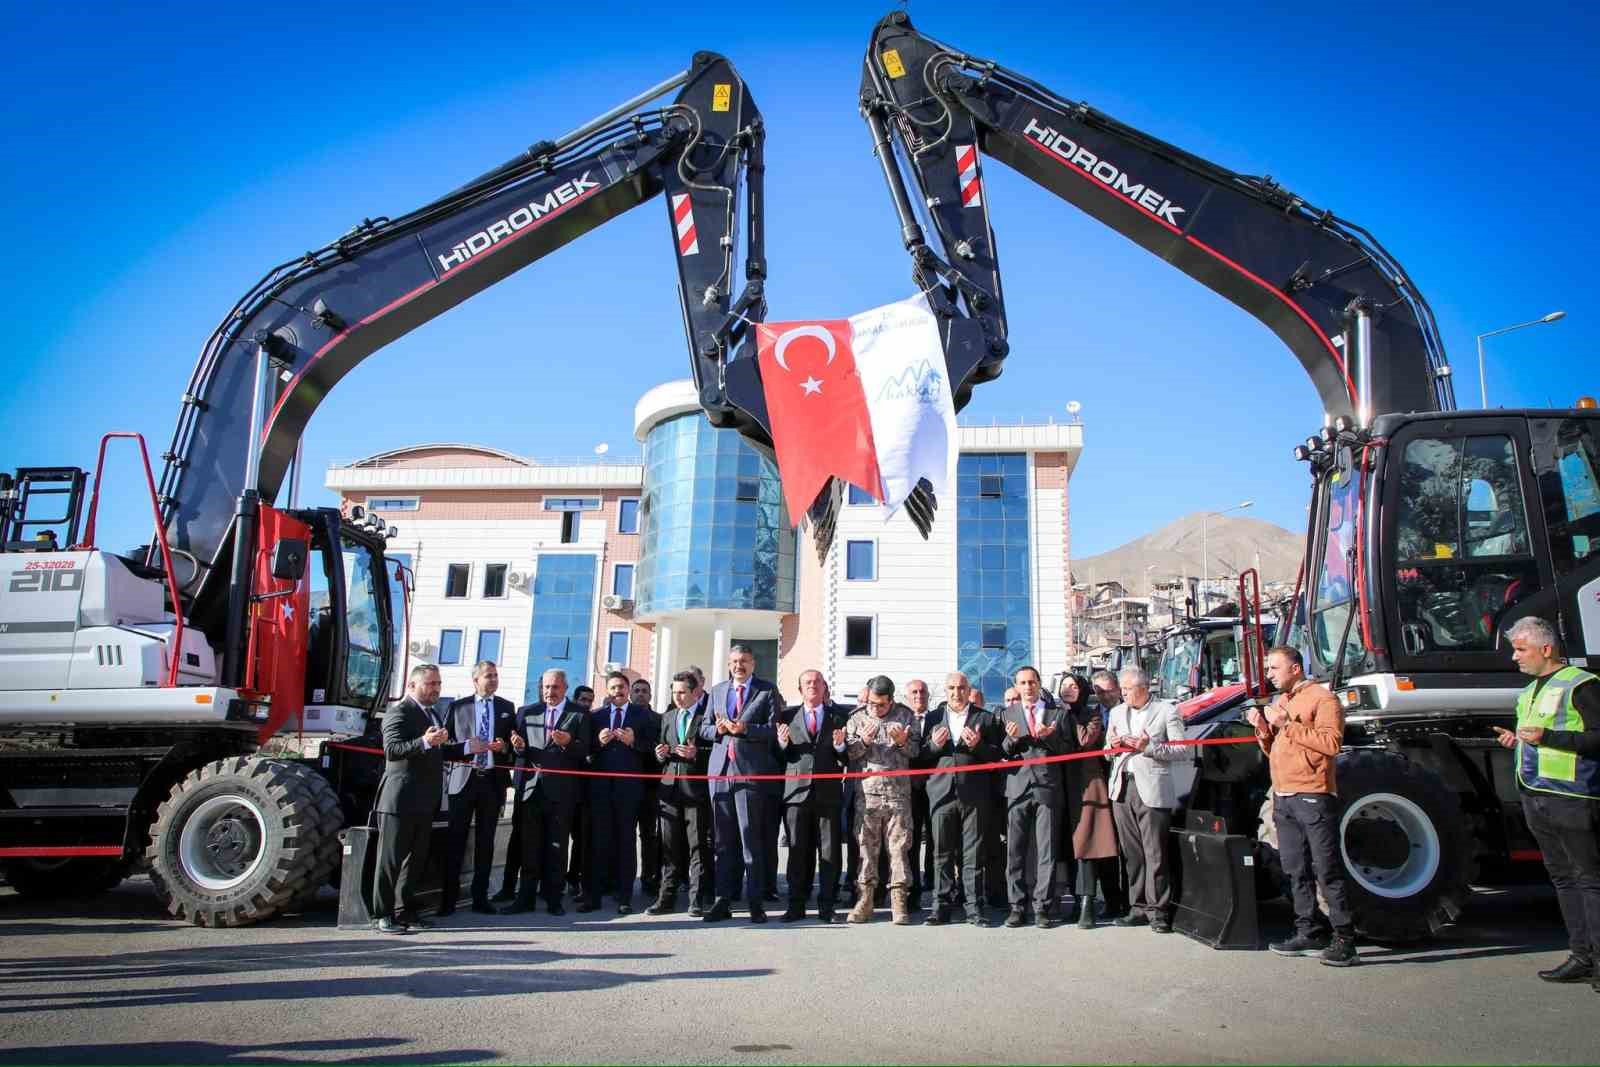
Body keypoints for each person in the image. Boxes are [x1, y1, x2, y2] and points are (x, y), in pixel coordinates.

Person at [1493, 617, 1600, 989]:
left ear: (1546, 649)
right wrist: (1516, 740)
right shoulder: (1528, 691)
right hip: (1536, 793)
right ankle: (1582, 955)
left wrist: (1548, 737)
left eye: (1521, 649)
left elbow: (1595, 737)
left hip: (1572, 796)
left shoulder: (1581, 685)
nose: (1515, 657)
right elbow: (1535, 737)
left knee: (1590, 879)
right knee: (1563, 878)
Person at [1245, 646, 1358, 965]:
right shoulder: (1283, 701)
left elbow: (1331, 744)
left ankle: (1345, 939)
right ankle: (1307, 930)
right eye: (1268, 668)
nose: (1269, 674)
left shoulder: (1324, 699)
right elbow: (1277, 750)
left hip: (1313, 793)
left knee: (1326, 868)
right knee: (1295, 868)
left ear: (1295, 669)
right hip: (1284, 795)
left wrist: (1286, 724)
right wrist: (1264, 731)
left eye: (1274, 668)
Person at [373, 664, 467, 933]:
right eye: (430, 684)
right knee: (390, 860)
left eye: (438, 683)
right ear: (412, 685)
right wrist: (425, 741)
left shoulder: (433, 713)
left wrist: (468, 747)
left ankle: (406, 911)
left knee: (415, 861)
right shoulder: (399, 712)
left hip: (425, 801)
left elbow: (439, 751)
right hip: (399, 800)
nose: (436, 689)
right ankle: (382, 914)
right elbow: (393, 750)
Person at [700, 644, 781, 922]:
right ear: (728, 664)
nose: (739, 665)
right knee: (723, 842)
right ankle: (723, 900)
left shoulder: (766, 690)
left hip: (749, 773)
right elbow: (704, 728)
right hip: (721, 773)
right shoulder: (717, 691)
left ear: (753, 664)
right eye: (734, 661)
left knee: (750, 840)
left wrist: (745, 729)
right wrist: (718, 729)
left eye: (744, 661)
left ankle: (755, 903)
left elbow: (772, 730)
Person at [504, 669, 589, 915]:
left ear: (565, 688)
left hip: (561, 792)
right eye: (546, 687)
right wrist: (519, 748)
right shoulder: (527, 712)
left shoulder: (579, 714)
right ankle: (525, 898)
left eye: (555, 687)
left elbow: (585, 750)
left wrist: (568, 743)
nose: (550, 692)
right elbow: (519, 751)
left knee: (557, 847)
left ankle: (554, 899)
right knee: (529, 847)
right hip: (532, 790)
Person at [1106, 666, 1185, 934]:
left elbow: (1181, 750)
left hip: (1152, 787)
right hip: (1122, 787)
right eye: (1122, 689)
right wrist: (1112, 746)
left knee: (1155, 852)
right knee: (1132, 853)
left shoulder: (1166, 710)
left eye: (1128, 689)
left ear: (1143, 688)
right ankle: (1137, 906)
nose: (1123, 694)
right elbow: (1106, 751)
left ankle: (1158, 910)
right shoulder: (1117, 712)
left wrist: (1147, 748)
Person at [923, 671, 1001, 927]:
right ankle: (940, 907)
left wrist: (978, 745)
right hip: (942, 792)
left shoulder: (986, 718)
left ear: (969, 690)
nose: (956, 693)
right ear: (945, 691)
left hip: (974, 793)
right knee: (941, 852)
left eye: (961, 688)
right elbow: (921, 755)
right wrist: (934, 746)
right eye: (952, 688)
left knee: (973, 854)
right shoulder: (933, 718)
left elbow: (996, 755)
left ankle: (974, 908)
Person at [999, 665, 1072, 928]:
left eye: (1032, 682)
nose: (1028, 687)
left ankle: (1042, 907)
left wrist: (1050, 738)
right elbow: (1002, 752)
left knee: (1046, 851)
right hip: (1017, 788)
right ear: (1016, 686)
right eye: (1023, 683)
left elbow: (1068, 751)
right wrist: (1011, 739)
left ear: (1039, 684)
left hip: (1047, 787)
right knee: (1015, 851)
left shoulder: (1058, 714)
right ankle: (1017, 907)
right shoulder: (1006, 714)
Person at [439, 660, 514, 916]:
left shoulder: (506, 708)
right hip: (463, 782)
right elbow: (443, 747)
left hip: (492, 782)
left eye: (495, 675)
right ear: (475, 681)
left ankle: (480, 898)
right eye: (488, 676)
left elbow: (513, 748)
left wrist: (504, 747)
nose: (493, 679)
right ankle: (448, 900)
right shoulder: (458, 707)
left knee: (486, 842)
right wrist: (467, 748)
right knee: (455, 841)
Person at [845, 675, 921, 925]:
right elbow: (849, 754)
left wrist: (902, 743)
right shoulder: (857, 718)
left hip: (898, 795)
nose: (875, 709)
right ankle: (865, 900)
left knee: (899, 849)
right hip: (867, 796)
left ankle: (899, 901)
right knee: (866, 849)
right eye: (871, 703)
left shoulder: (906, 716)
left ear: (891, 700)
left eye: (881, 705)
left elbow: (916, 752)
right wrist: (864, 741)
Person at [777, 669, 851, 923]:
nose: (813, 685)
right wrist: (782, 744)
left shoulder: (839, 717)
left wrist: (840, 746)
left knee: (829, 853)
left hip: (828, 794)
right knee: (798, 851)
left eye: (817, 682)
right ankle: (796, 905)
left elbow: (847, 758)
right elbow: (778, 757)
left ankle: (827, 906)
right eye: (807, 682)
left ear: (824, 687)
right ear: (800, 689)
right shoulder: (786, 717)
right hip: (796, 794)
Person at [584, 671, 653, 914]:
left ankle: (625, 897)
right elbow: (585, 751)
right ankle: (593, 896)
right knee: (599, 841)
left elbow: (652, 749)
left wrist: (633, 742)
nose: (617, 692)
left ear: (628, 689)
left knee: (626, 841)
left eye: (621, 687)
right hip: (601, 789)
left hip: (629, 789)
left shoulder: (642, 715)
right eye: (613, 688)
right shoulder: (596, 716)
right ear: (607, 691)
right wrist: (598, 743)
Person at [1059, 673, 1123, 927]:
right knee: (1071, 845)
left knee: (1088, 843)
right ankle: (1077, 901)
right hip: (1063, 783)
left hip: (1088, 784)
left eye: (1073, 686)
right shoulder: (1056, 714)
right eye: (1064, 686)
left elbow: (1085, 741)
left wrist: (1071, 716)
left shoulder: (1091, 715)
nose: (1068, 689)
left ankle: (1088, 902)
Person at [649, 671, 715, 916]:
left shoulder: (706, 716)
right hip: (669, 790)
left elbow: (716, 751)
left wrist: (697, 754)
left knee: (697, 846)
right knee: (669, 847)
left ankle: (696, 899)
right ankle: (665, 899)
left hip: (695, 791)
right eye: (674, 692)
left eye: (682, 692)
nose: (677, 697)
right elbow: (661, 748)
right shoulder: (668, 716)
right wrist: (660, 753)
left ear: (695, 692)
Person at [904, 678, 937, 910]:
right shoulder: (902, 719)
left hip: (935, 786)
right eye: (914, 692)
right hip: (908, 789)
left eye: (922, 691)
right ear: (908, 696)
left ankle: (936, 888)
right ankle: (912, 892)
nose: (919, 695)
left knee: (937, 841)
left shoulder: (938, 718)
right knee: (911, 842)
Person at [632, 678, 663, 903]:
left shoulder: (659, 719)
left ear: (650, 695)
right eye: (637, 690)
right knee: (624, 834)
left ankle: (649, 879)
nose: (641, 694)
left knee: (649, 835)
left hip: (651, 786)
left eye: (644, 691)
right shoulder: (625, 717)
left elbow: (659, 747)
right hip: (625, 785)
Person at [564, 684, 597, 897]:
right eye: (583, 699)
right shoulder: (567, 717)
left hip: (583, 790)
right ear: (574, 699)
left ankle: (574, 878)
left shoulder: (591, 720)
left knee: (581, 838)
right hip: (562, 787)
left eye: (590, 701)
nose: (586, 704)